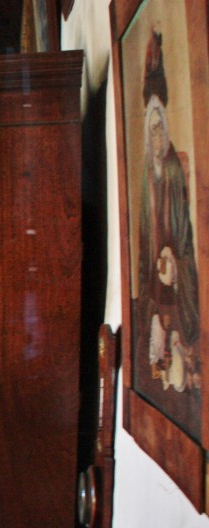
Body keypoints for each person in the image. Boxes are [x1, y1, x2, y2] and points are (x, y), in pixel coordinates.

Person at [135, 29, 199, 395]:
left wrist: (173, 255)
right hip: (155, 262)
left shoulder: (173, 167)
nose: (158, 138)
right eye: (152, 131)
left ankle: (175, 347)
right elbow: (146, 229)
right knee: (150, 305)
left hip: (175, 256)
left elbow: (182, 227)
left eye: (161, 129)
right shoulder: (148, 174)